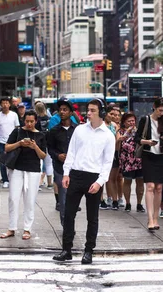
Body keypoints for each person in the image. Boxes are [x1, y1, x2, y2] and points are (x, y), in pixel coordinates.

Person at [53, 99, 115, 264]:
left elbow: (107, 163)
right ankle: (66, 249)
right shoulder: (79, 130)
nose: (89, 113)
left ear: (101, 112)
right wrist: (66, 174)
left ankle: (88, 251)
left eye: (93, 110)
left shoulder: (108, 136)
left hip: (94, 177)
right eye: (88, 110)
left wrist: (100, 182)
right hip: (76, 175)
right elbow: (71, 152)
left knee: (92, 217)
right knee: (69, 214)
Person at [0, 110, 47, 240]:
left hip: (33, 169)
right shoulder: (17, 131)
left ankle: (27, 229)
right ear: (23, 121)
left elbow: (43, 155)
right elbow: (7, 147)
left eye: (32, 121)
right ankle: (12, 228)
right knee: (13, 198)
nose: (29, 124)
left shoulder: (41, 135)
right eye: (27, 121)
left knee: (30, 200)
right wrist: (19, 143)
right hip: (17, 168)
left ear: (36, 121)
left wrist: (35, 147)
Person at [135, 98, 163, 231]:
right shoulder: (145, 120)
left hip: (161, 156)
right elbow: (137, 138)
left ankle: (156, 218)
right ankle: (150, 219)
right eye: (160, 110)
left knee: (159, 188)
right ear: (154, 107)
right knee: (150, 186)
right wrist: (147, 142)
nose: (162, 113)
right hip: (148, 155)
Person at [47, 98, 78, 223]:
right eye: (60, 110)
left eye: (65, 110)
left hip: (75, 168)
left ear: (71, 113)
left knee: (73, 197)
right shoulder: (54, 131)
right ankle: (66, 225)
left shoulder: (77, 130)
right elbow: (50, 149)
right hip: (60, 167)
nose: (62, 112)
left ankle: (71, 221)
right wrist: (58, 155)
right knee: (63, 196)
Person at [117, 112, 145, 213]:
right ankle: (128, 203)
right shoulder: (120, 131)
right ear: (124, 122)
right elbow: (119, 143)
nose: (131, 123)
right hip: (127, 161)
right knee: (127, 181)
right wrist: (126, 133)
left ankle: (139, 203)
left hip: (139, 160)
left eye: (133, 121)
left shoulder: (139, 131)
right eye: (129, 121)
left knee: (140, 181)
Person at [0, 97, 20, 188]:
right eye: (3, 103)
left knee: (13, 160)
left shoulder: (14, 115)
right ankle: (5, 180)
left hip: (12, 142)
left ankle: (12, 179)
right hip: (1, 142)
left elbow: (17, 128)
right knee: (2, 162)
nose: (5, 105)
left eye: (7, 103)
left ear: (9, 104)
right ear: (1, 105)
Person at [105, 105, 123, 210]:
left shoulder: (114, 126)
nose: (113, 116)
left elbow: (117, 140)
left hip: (115, 153)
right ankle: (111, 199)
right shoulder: (102, 125)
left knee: (117, 177)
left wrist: (120, 138)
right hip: (106, 154)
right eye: (111, 114)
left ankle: (116, 198)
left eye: (116, 115)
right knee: (109, 178)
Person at [35, 101, 53, 189]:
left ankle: (38, 184)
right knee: (49, 164)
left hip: (39, 143)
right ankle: (50, 183)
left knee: (39, 163)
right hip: (49, 142)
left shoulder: (36, 120)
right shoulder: (49, 119)